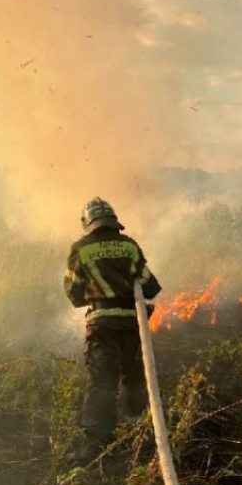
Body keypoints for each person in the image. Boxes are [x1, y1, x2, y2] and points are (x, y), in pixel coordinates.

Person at [63, 197, 162, 464]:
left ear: (88, 222)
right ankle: (137, 431)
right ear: (112, 220)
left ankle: (95, 443)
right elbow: (150, 286)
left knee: (102, 382)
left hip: (102, 325)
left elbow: (74, 294)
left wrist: (97, 291)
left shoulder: (81, 249)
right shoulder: (129, 245)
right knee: (134, 377)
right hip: (133, 324)